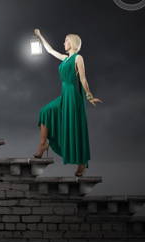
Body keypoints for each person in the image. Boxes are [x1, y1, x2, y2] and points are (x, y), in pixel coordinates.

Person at [33, 29, 103, 177]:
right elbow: (50, 50)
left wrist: (89, 96)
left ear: (72, 42)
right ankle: (43, 144)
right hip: (65, 94)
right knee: (45, 111)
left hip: (74, 95)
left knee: (76, 126)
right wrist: (40, 36)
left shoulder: (78, 58)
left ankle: (82, 163)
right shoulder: (65, 58)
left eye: (66, 40)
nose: (64, 42)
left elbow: (83, 79)